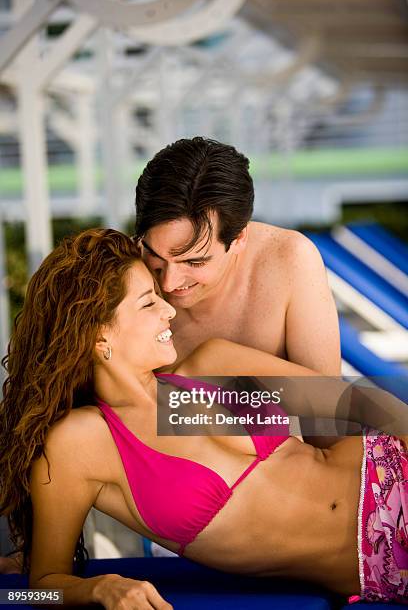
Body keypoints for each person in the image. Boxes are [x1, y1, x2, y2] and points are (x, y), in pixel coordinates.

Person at [0, 229, 407, 608]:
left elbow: (356, 403)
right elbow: (39, 591)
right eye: (148, 302)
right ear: (98, 335)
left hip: (392, 469)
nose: (169, 311)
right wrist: (98, 588)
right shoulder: (81, 443)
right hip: (382, 560)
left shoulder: (212, 367)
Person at [135, 137, 341, 375]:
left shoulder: (289, 260)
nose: (168, 283)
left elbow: (329, 401)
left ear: (239, 238)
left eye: (194, 261)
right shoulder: (124, 271)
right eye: (154, 254)